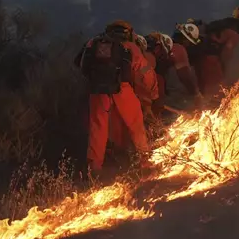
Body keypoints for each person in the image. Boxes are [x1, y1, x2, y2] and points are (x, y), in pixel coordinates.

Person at [75, 20, 158, 173]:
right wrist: (151, 97)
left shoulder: (93, 43)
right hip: (122, 89)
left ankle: (94, 168)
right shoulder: (130, 47)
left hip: (97, 92)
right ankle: (144, 162)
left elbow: (80, 65)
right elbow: (146, 75)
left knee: (97, 129)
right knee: (135, 124)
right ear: (128, 33)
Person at [193, 8, 239, 99]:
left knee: (203, 89)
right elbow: (226, 53)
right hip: (211, 60)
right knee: (215, 91)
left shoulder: (225, 24)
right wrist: (223, 70)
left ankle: (200, 109)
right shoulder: (234, 34)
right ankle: (207, 109)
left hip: (201, 57)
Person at [150, 23, 203, 113]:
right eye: (189, 43)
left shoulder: (161, 45)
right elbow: (184, 74)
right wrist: (196, 94)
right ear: (186, 40)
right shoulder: (179, 49)